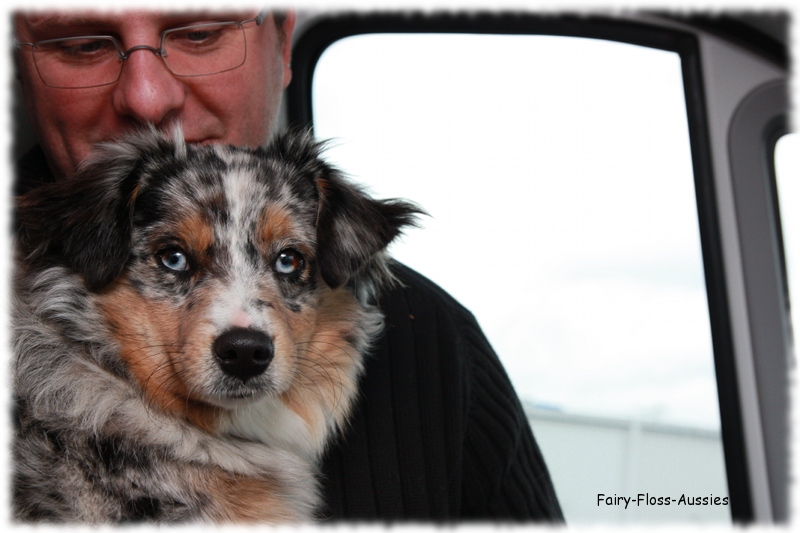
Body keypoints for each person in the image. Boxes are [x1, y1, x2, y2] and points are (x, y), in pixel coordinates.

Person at [13, 8, 564, 521]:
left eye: (200, 32)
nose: (148, 98)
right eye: (81, 44)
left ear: (281, 41)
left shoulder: (439, 344)